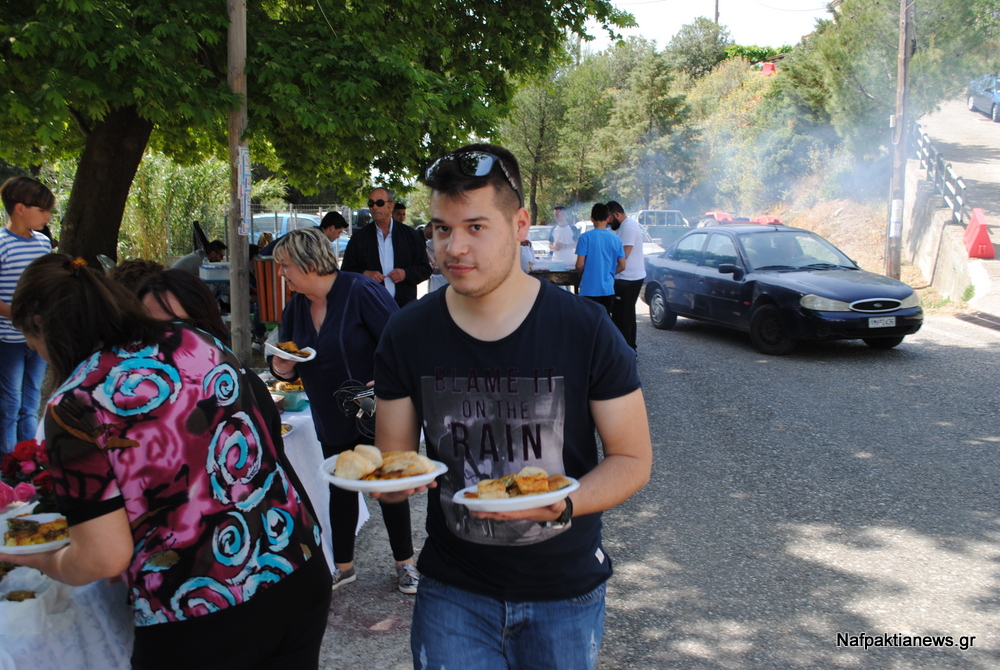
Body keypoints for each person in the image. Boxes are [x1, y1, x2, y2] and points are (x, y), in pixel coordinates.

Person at [371, 144, 652, 669]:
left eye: (476, 227)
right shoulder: (406, 333)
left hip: (564, 589)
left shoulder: (586, 330)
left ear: (520, 223)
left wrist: (564, 504)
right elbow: (395, 459)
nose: (453, 248)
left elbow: (632, 459)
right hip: (453, 590)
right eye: (440, 229)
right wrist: (393, 482)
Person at [2, 254, 331, 669]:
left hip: (202, 610)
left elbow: (103, 558)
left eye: (33, 344)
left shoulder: (76, 402)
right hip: (297, 570)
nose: (40, 356)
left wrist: (38, 559)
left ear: (40, 325)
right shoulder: (192, 340)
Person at [268, 228, 422, 594]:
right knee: (340, 487)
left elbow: (400, 341)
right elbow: (286, 359)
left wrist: (385, 383)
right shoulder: (296, 306)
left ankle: (406, 564)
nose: (281, 274)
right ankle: (344, 567)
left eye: (285, 265)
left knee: (389, 484)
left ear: (308, 262)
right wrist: (283, 368)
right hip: (328, 409)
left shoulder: (358, 290)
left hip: (376, 409)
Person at [0, 176, 54, 453]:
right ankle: (7, 466)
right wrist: (21, 316)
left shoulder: (43, 244)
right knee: (10, 403)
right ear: (20, 208)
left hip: (39, 338)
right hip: (8, 339)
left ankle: (29, 459)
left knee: (32, 402)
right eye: (42, 210)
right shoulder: (2, 244)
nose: (47, 216)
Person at [341, 187, 432, 308]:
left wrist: (406, 274)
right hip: (370, 307)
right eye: (371, 203)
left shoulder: (410, 235)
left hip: (403, 308)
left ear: (391, 206)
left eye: (379, 203)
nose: (374, 207)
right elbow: (345, 272)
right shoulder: (359, 238)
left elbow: (425, 269)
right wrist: (365, 274)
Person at [607, 201, 645, 352]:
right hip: (627, 277)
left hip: (628, 279)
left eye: (609, 218)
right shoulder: (624, 226)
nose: (608, 222)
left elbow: (624, 255)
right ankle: (630, 349)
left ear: (616, 214)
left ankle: (626, 351)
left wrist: (606, 271)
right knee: (626, 315)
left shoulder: (628, 227)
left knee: (622, 317)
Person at [575, 203, 625, 316]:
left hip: (588, 288)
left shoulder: (585, 237)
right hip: (607, 289)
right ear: (608, 218)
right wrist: (610, 273)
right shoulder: (616, 239)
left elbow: (579, 265)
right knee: (604, 322)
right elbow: (622, 265)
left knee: (588, 323)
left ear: (592, 219)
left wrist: (582, 274)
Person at [259, 211, 348, 257]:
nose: (339, 236)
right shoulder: (316, 238)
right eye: (339, 232)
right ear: (331, 228)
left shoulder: (313, 233)